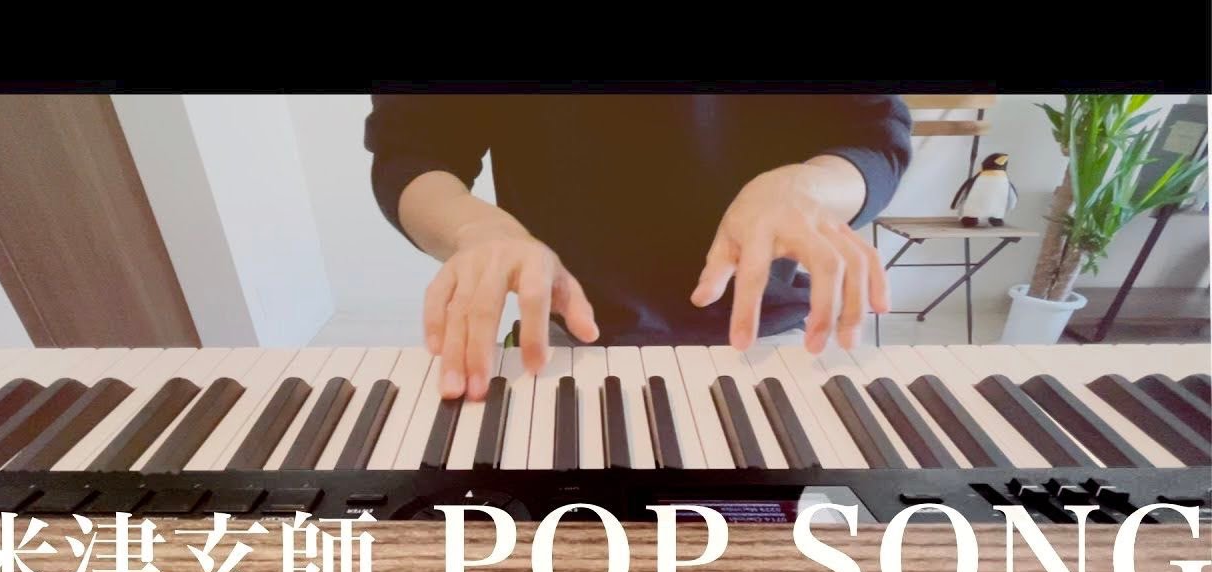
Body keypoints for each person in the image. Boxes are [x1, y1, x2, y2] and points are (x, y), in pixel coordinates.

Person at [365, 94, 913, 401]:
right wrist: (476, 231)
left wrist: (807, 188)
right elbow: (413, 151)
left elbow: (870, 135)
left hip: (771, 345)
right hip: (569, 345)